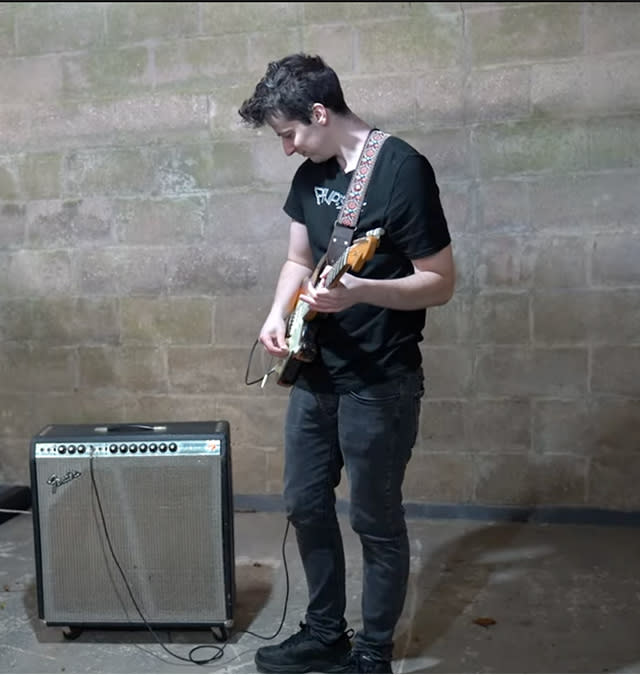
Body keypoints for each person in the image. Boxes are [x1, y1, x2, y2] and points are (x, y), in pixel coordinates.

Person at [237, 53, 456, 674]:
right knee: (305, 503)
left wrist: (360, 292)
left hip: (380, 379)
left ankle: (373, 649)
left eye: (289, 134)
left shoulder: (401, 170)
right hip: (317, 369)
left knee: (374, 517)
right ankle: (325, 631)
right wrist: (277, 313)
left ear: (319, 112)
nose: (286, 149)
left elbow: (439, 281)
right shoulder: (311, 171)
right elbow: (297, 261)